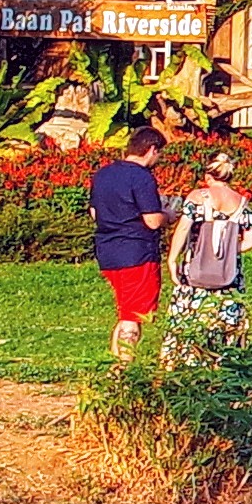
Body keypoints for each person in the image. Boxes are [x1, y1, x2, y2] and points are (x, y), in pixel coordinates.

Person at [161, 147, 252, 367]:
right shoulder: (241, 203)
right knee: (225, 316)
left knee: (187, 314)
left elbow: (184, 229)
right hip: (228, 273)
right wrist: (226, 249)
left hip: (195, 268)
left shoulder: (198, 197)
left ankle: (183, 362)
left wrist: (172, 258)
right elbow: (251, 241)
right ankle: (224, 362)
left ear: (207, 176)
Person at [86, 118, 170, 360]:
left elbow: (95, 213)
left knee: (125, 310)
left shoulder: (103, 174)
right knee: (133, 317)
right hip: (137, 253)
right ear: (152, 150)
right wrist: (170, 214)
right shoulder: (142, 177)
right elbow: (152, 220)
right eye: (159, 154)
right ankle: (124, 370)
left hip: (108, 252)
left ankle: (117, 366)